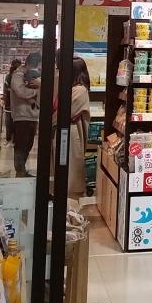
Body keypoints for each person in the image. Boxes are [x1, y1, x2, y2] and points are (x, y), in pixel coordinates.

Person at [9, 52, 41, 177]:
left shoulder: (35, 75)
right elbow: (21, 91)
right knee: (21, 145)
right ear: (28, 64)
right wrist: (36, 91)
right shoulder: (18, 75)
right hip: (22, 115)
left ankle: (22, 170)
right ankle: (20, 171)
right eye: (36, 66)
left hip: (33, 116)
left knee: (28, 144)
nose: (37, 69)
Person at [67, 57, 91, 201]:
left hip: (73, 131)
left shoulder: (80, 90)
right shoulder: (75, 88)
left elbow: (67, 111)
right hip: (70, 131)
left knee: (73, 167)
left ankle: (72, 202)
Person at [2, 58, 21, 144]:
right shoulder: (18, 77)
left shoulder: (9, 76)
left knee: (9, 122)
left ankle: (9, 138)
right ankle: (13, 139)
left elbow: (5, 89)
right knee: (14, 122)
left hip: (11, 103)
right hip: (15, 103)